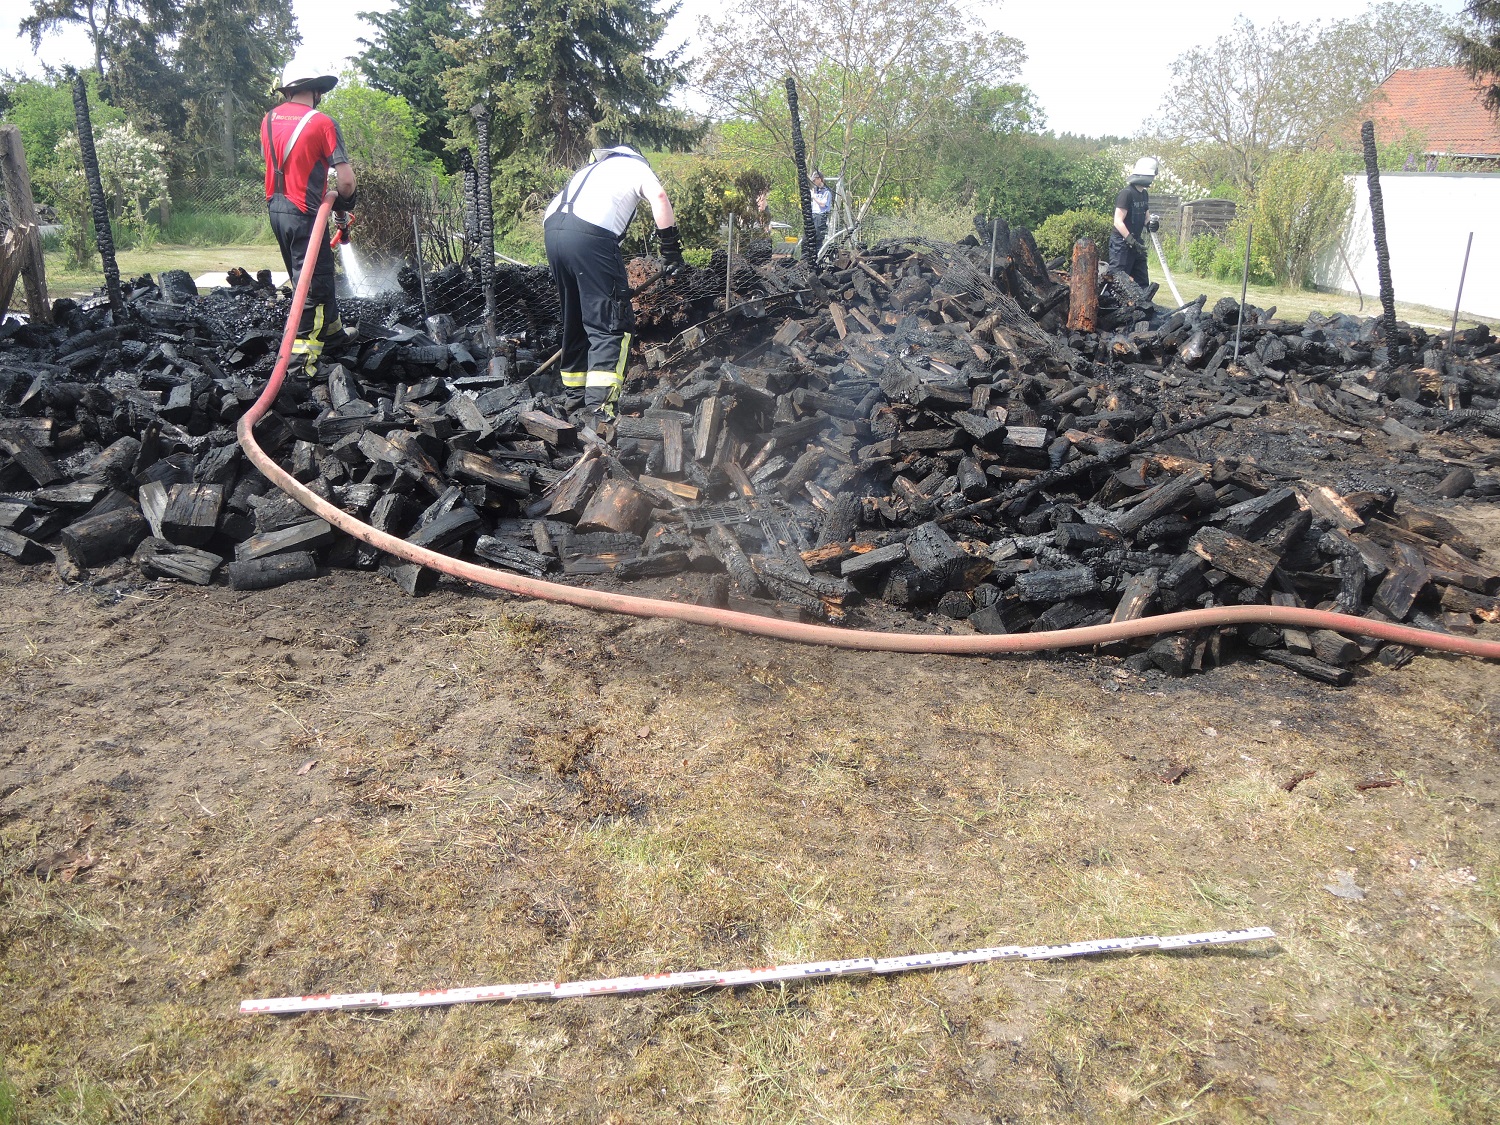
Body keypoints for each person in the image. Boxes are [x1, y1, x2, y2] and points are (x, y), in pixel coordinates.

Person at [543, 139, 684, 421]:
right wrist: (670, 251)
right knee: (610, 324)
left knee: (577, 318)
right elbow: (659, 197)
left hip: (553, 231)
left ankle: (575, 397)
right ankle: (599, 409)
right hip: (590, 237)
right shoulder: (635, 167)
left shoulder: (590, 170)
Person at [261, 73, 357, 377]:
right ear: (315, 91)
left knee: (314, 277)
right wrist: (343, 203)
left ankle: (332, 335)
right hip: (305, 215)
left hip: (276, 211)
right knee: (312, 288)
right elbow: (346, 181)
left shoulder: (269, 119)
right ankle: (301, 365)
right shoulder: (322, 122)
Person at [1110, 156, 1158, 288]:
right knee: (1119, 278)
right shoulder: (1126, 193)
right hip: (1121, 243)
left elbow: (1146, 218)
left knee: (1142, 279)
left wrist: (1151, 225)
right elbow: (1118, 221)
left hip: (1136, 241)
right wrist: (1130, 240)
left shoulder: (1144, 194)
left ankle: (1143, 305)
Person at [809, 171, 832, 245]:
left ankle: (818, 254)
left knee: (818, 237)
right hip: (813, 215)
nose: (813, 182)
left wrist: (813, 196)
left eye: (814, 180)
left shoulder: (827, 192)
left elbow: (823, 204)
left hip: (821, 216)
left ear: (819, 179)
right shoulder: (814, 191)